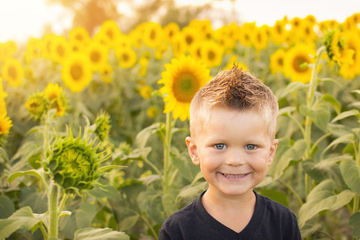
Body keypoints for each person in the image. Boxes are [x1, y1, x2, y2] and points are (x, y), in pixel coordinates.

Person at [158, 65, 301, 240]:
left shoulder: (282, 223)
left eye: (250, 146)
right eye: (219, 146)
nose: (235, 161)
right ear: (194, 151)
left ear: (271, 153)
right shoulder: (178, 231)